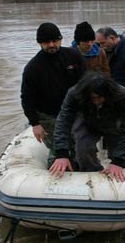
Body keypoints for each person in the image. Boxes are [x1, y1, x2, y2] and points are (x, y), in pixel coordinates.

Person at [49, 72, 125, 183]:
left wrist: (118, 161)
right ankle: (92, 175)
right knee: (82, 148)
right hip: (88, 121)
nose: (96, 101)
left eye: (100, 97)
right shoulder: (74, 94)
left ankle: (121, 173)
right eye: (93, 98)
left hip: (115, 124)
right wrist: (61, 153)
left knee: (120, 155)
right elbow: (63, 121)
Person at [20, 22, 86, 163]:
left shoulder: (74, 56)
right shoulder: (32, 68)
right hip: (49, 115)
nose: (51, 45)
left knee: (80, 146)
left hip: (76, 110)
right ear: (40, 43)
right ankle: (55, 174)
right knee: (60, 150)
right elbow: (27, 98)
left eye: (54, 41)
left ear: (60, 40)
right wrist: (35, 123)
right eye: (46, 42)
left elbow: (86, 83)